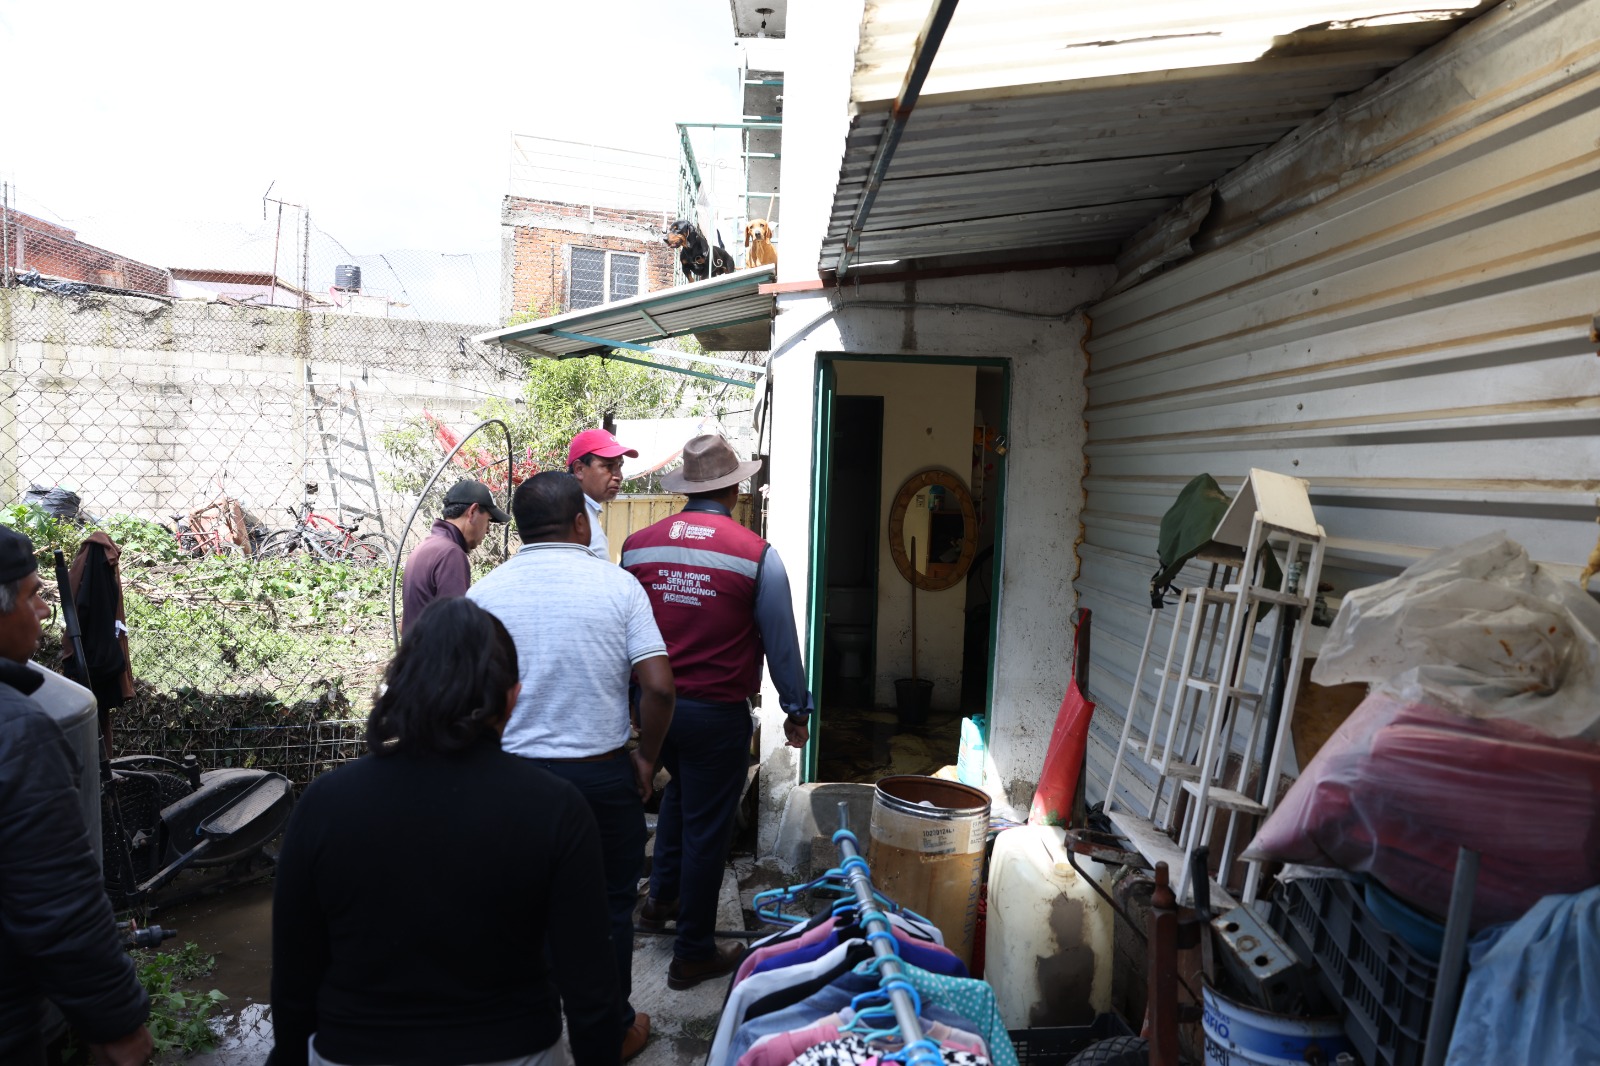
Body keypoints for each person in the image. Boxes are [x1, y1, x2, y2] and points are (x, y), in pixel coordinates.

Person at [268, 597, 618, 1066]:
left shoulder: (325, 804)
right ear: (512, 698)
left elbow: (294, 979)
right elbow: (590, 986)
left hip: (354, 1050)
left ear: (400, 688)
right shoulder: (555, 808)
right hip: (515, 1050)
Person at [467, 472, 674, 1061]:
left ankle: (522, 1025)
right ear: (581, 525)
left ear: (522, 528)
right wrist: (645, 760)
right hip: (600, 777)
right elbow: (658, 688)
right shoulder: (618, 588)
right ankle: (610, 1029)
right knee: (608, 906)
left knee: (514, 903)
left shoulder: (485, 593)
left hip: (508, 781)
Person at [620, 434, 812, 990]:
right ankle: (693, 952)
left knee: (681, 794)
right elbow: (782, 642)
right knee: (708, 829)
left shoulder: (638, 547)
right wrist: (797, 710)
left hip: (651, 712)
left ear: (687, 488)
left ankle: (660, 901)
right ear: (734, 486)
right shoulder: (756, 554)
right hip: (713, 715)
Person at [0, 526, 153, 1066]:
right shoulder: (17, 728)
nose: (44, 611)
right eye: (32, 594)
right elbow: (57, 895)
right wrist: (116, 1022)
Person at [400, 479, 510, 635]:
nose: (488, 530)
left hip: (416, 655)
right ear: (472, 512)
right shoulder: (451, 554)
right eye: (488, 521)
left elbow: (403, 624)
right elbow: (458, 630)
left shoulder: (427, 547)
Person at [567, 428, 639, 561]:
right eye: (608, 466)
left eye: (619, 466)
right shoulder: (567, 517)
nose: (619, 476)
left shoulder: (583, 510)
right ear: (579, 469)